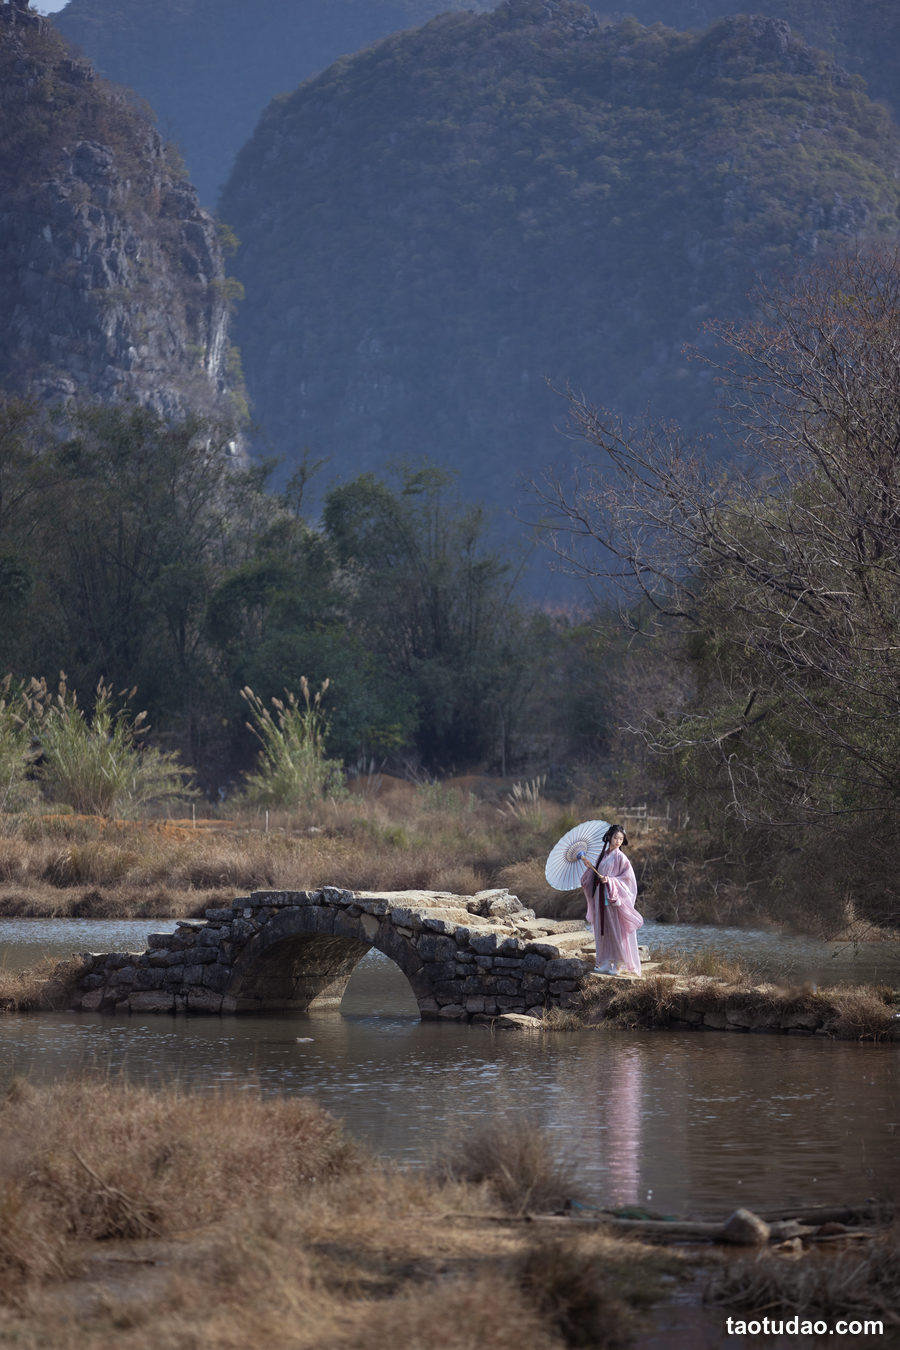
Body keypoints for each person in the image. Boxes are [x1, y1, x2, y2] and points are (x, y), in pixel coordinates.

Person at [579, 824, 643, 977]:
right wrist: (590, 867)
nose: (618, 841)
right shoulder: (603, 855)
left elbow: (628, 880)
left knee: (615, 929)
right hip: (600, 897)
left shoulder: (621, 857)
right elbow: (596, 874)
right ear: (608, 837)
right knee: (603, 929)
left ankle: (619, 963)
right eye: (615, 838)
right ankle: (606, 961)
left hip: (612, 898)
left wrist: (610, 880)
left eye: (621, 839)